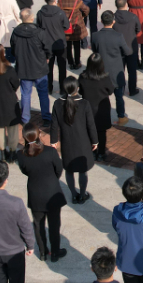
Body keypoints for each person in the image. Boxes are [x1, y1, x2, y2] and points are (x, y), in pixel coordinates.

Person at [16, 125, 67, 262]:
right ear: (38, 135)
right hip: (52, 192)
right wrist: (52, 179)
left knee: (38, 225)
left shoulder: (21, 155)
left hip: (35, 193)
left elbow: (25, 171)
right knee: (54, 225)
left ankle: (43, 252)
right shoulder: (50, 151)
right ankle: (55, 252)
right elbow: (59, 169)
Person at [52, 75, 98, 205]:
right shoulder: (84, 104)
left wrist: (54, 141)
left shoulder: (57, 103)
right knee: (83, 171)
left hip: (67, 143)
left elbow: (54, 125)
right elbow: (91, 125)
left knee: (69, 170)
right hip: (83, 143)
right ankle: (82, 195)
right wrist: (95, 141)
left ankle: (73, 195)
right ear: (77, 88)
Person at [90, 12, 132, 127]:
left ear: (102, 21)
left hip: (102, 71)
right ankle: (121, 117)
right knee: (119, 97)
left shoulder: (95, 36)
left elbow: (94, 51)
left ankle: (104, 117)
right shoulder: (118, 36)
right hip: (116, 71)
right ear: (113, 21)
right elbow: (127, 52)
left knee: (103, 98)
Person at [11, 8, 52, 124]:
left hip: (24, 68)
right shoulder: (39, 32)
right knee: (43, 94)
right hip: (39, 67)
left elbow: (13, 50)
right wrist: (48, 57)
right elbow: (48, 48)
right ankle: (46, 117)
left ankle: (25, 119)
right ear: (32, 18)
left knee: (25, 94)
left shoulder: (16, 32)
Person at [80, 53, 118, 160]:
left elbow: (80, 91)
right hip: (102, 108)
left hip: (88, 108)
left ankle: (92, 151)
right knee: (101, 132)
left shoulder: (83, 77)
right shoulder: (104, 78)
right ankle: (101, 153)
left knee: (89, 130)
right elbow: (110, 91)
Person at [36, 0, 70, 89]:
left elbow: (38, 27)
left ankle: (49, 87)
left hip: (46, 44)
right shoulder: (60, 13)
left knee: (48, 68)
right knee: (62, 67)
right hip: (60, 44)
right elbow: (66, 26)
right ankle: (63, 88)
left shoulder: (40, 13)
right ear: (55, 0)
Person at [114, 0, 143, 93]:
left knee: (119, 70)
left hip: (118, 48)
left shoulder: (113, 17)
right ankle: (132, 89)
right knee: (132, 71)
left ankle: (121, 89)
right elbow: (138, 29)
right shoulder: (133, 17)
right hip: (131, 47)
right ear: (126, 4)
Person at [58, 0, 90, 70]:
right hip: (75, 26)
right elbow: (86, 10)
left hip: (65, 27)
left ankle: (70, 62)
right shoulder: (77, 1)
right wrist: (82, 16)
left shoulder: (60, 1)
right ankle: (77, 62)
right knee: (77, 45)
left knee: (68, 45)